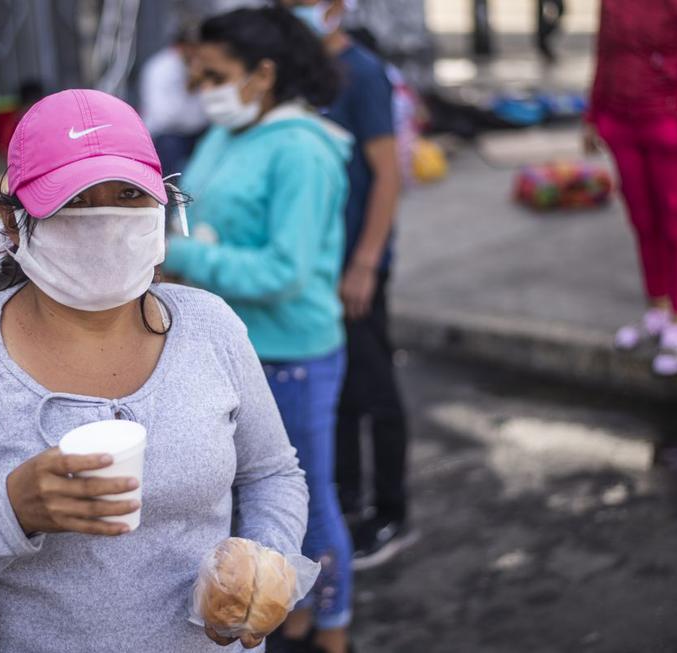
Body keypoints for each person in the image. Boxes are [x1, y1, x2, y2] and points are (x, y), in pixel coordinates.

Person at [0, 88, 310, 652]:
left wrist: (264, 564)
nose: (105, 221)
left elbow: (271, 474)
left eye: (127, 195)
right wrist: (10, 511)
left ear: (164, 205)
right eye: (73, 201)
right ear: (13, 224)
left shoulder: (209, 326)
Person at [163, 7, 353, 653]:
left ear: (263, 74)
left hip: (291, 350)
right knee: (248, 505)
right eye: (198, 74)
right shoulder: (229, 133)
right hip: (235, 346)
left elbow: (285, 270)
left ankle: (331, 627)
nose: (203, 88)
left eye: (216, 74)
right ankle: (284, 610)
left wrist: (183, 255)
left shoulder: (303, 149)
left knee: (307, 501)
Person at [287, 0, 414, 570]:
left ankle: (392, 511)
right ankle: (348, 501)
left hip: (356, 264)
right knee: (338, 395)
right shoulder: (300, 71)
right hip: (319, 265)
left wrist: (364, 263)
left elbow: (388, 175)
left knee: (375, 387)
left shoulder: (362, 73)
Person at [585, 1, 677, 377]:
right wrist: (593, 115)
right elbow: (604, 53)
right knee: (643, 221)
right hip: (621, 120)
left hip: (667, 120)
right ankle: (657, 309)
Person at [139, 28, 208, 175]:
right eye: (193, 48)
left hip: (199, 133)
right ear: (180, 47)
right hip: (167, 136)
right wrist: (189, 87)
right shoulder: (160, 69)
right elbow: (162, 118)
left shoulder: (205, 66)